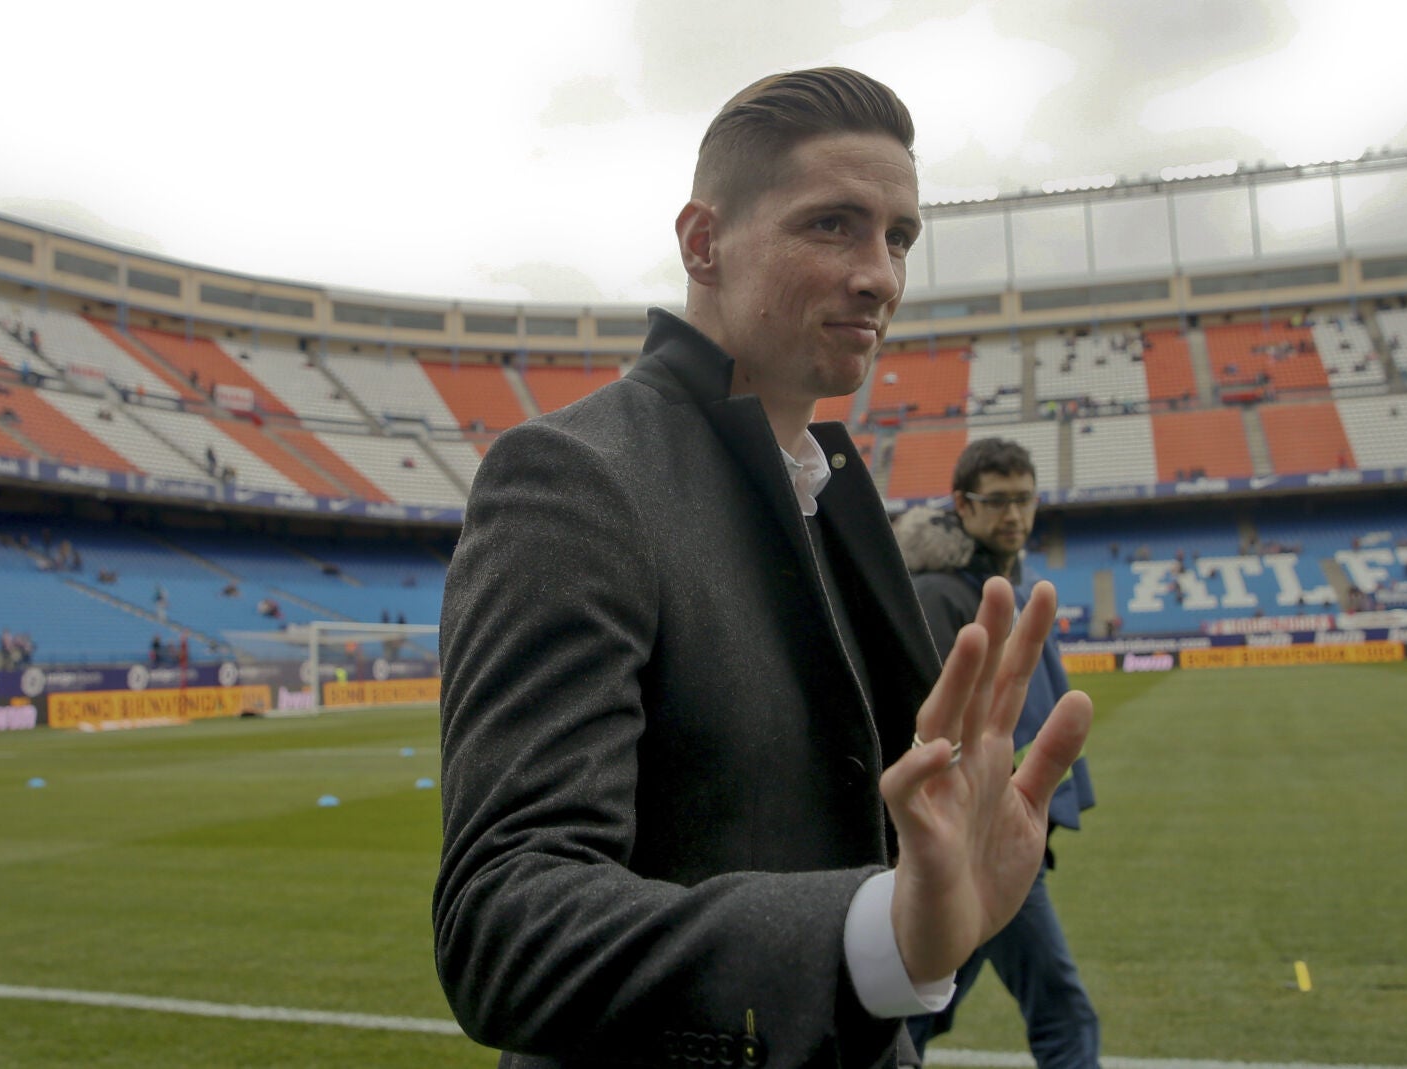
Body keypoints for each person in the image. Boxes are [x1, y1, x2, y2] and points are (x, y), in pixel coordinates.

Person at [434, 68, 1093, 1069]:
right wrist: (871, 933)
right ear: (703, 243)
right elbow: (503, 920)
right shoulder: (574, 477)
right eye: (832, 225)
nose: (879, 274)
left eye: (899, 237)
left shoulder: (834, 490)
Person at [895, 439, 1099, 1067]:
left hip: (1000, 826)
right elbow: (931, 716)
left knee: (922, 1013)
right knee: (1062, 1010)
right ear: (961, 504)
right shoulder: (942, 595)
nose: (1015, 514)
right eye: (999, 500)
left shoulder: (1006, 582)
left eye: (1025, 499)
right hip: (977, 834)